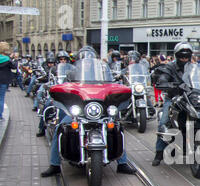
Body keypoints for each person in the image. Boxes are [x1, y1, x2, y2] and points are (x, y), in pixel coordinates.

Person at [40, 47, 136, 177]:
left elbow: (112, 84)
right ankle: (54, 165)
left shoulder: (103, 72)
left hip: (98, 109)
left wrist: (120, 89)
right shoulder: (71, 74)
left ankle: (122, 163)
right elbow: (63, 88)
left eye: (91, 60)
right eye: (86, 60)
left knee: (116, 128)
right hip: (78, 110)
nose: (88, 62)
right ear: (80, 61)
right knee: (60, 128)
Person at [151, 41, 193, 166]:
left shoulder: (195, 67)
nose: (184, 59)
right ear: (176, 56)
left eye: (186, 56)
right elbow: (163, 76)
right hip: (174, 98)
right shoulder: (170, 67)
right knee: (164, 121)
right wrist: (164, 81)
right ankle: (159, 152)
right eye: (182, 56)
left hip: (191, 98)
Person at [0, 42, 17, 121]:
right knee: (1, 99)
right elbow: (14, 67)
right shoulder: (8, 60)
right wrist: (14, 59)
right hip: (2, 81)